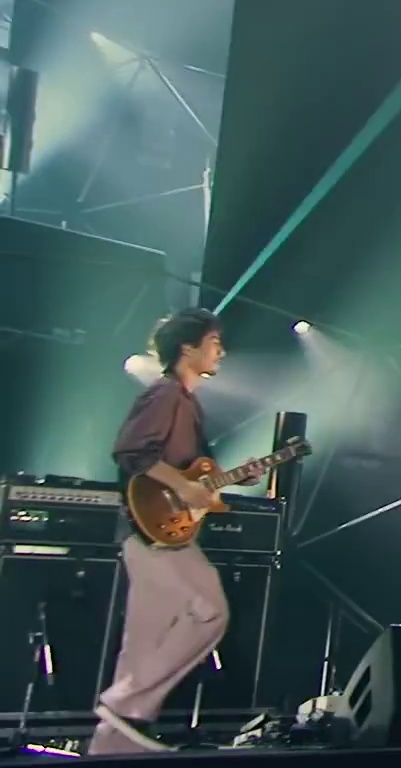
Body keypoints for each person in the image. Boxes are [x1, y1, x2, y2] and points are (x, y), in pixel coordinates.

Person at [91, 309, 259, 755]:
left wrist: (225, 478)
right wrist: (184, 486)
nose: (221, 351)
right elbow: (132, 452)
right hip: (152, 531)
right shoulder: (166, 394)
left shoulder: (186, 402)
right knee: (210, 612)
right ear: (188, 347)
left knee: (144, 641)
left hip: (156, 533)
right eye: (214, 342)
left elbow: (186, 472)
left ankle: (113, 745)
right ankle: (123, 703)